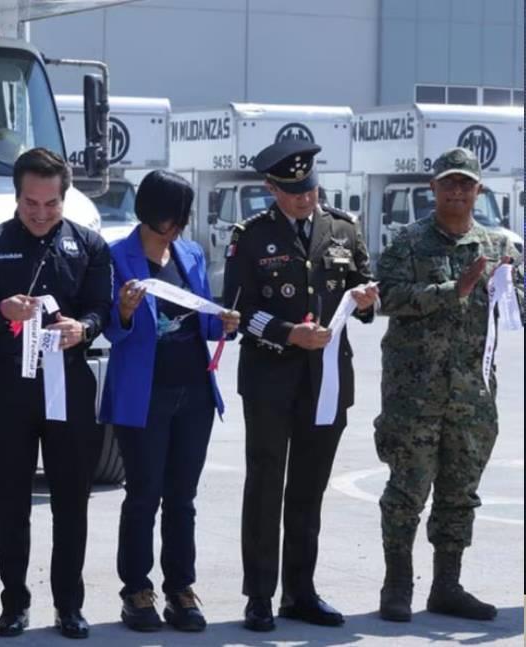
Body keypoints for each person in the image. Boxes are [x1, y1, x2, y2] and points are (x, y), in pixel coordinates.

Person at [222, 140, 379, 632]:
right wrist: (290, 333)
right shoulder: (250, 236)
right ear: (271, 189)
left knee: (309, 489)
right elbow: (237, 312)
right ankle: (260, 595)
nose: (303, 198)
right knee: (266, 485)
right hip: (270, 377)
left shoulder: (343, 228)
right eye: (292, 191)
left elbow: (367, 292)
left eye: (308, 187)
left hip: (327, 380)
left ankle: (300, 591)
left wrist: (369, 297)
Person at [0, 148, 111, 640]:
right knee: (11, 502)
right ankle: (13, 603)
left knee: (72, 500)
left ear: (65, 197)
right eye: (32, 203)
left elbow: (101, 310)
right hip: (9, 387)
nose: (42, 213)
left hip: (68, 384)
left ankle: (69, 605)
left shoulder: (89, 244)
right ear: (17, 196)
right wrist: (1, 311)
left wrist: (82, 328)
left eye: (51, 203)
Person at [374, 147, 524, 623]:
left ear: (479, 190)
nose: (457, 192)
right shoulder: (408, 241)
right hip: (414, 394)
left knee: (460, 493)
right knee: (407, 491)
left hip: (472, 395)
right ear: (432, 189)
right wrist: (451, 291)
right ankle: (397, 584)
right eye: (448, 184)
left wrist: (508, 289)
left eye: (466, 184)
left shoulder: (499, 246)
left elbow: (516, 309)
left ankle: (447, 585)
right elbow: (388, 299)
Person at [102, 170, 239, 633]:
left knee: (183, 498)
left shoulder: (191, 252)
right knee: (143, 495)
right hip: (144, 394)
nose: (176, 229)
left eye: (181, 219)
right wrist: (122, 310)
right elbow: (108, 328)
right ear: (149, 214)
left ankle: (181, 588)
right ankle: (137, 590)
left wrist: (223, 322)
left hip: (194, 392)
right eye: (169, 220)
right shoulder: (117, 256)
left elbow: (202, 316)